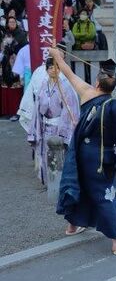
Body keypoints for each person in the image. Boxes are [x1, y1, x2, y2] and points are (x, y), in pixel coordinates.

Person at [51, 49, 116, 254]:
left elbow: (67, 72)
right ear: (113, 87)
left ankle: (73, 225)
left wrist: (57, 56)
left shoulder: (87, 93)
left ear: (97, 83)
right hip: (102, 158)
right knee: (107, 196)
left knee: (82, 184)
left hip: (81, 153)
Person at [27, 56, 80, 185]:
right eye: (50, 67)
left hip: (58, 127)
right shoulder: (43, 86)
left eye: (56, 67)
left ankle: (61, 182)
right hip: (45, 126)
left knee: (60, 155)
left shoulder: (65, 87)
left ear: (60, 69)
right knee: (45, 154)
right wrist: (35, 128)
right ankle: (48, 181)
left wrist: (63, 130)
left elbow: (69, 110)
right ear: (46, 70)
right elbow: (37, 108)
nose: (53, 70)